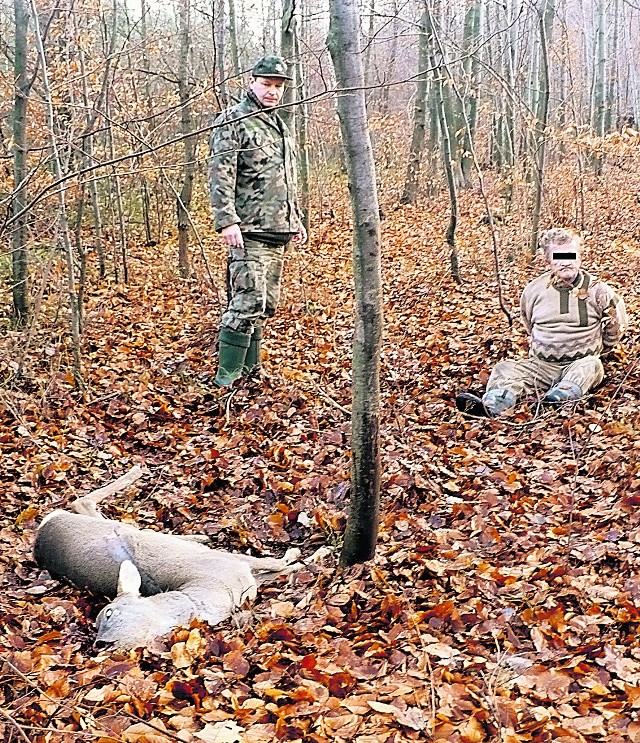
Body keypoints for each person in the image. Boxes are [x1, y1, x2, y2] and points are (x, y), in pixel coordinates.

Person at [208, 54, 307, 386]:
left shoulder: (278, 124)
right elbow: (220, 175)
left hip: (277, 229)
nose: (273, 92)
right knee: (247, 300)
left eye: (278, 87)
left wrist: (296, 221)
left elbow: (286, 178)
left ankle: (249, 372)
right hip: (248, 230)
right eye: (267, 85)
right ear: (252, 82)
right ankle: (227, 378)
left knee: (264, 304)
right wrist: (227, 221)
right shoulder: (233, 121)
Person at [456, 228, 627, 417]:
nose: (565, 262)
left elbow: (617, 324)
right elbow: (529, 323)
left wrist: (604, 347)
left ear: (579, 257)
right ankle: (492, 406)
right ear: (547, 261)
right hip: (541, 366)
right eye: (558, 257)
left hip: (580, 363)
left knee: (592, 366)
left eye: (571, 255)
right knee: (504, 369)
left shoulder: (599, 290)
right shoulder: (533, 291)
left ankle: (558, 401)